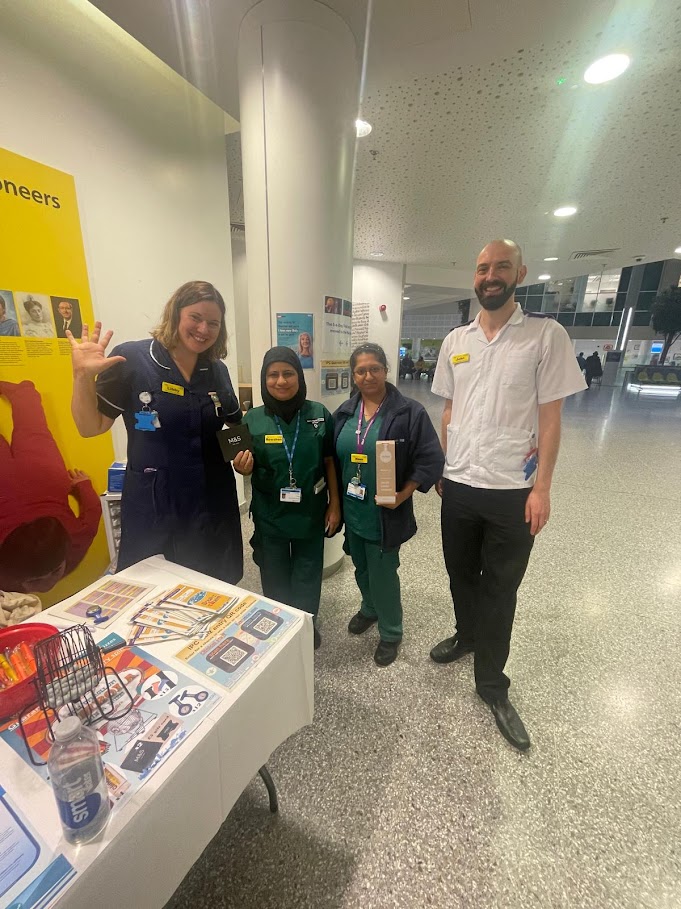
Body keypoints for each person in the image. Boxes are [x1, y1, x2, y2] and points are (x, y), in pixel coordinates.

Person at [430, 239, 586, 751]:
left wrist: (543, 488)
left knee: (500, 588)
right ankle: (467, 634)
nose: (490, 275)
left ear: (520, 272)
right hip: (459, 485)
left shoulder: (545, 336)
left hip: (512, 493)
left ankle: (492, 685)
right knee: (458, 571)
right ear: (473, 278)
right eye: (481, 268)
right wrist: (445, 465)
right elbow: (450, 409)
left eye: (500, 267)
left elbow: (551, 417)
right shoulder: (457, 339)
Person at [68, 280, 244, 583]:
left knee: (213, 583)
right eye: (196, 318)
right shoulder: (132, 361)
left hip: (211, 499)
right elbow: (89, 427)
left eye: (213, 323)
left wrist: (243, 454)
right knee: (156, 588)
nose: (204, 329)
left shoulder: (216, 370)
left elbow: (234, 424)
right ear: (176, 314)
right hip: (156, 502)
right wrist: (82, 376)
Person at [333, 343, 444, 666]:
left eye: (375, 369)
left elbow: (430, 459)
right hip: (353, 510)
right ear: (353, 375)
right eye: (361, 370)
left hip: (384, 513)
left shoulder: (409, 412)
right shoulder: (345, 412)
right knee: (361, 566)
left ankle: (391, 631)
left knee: (383, 572)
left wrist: (402, 494)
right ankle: (369, 608)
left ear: (385, 370)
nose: (368, 376)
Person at [233, 347, 340, 649]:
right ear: (264, 378)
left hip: (310, 511)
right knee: (274, 572)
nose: (281, 381)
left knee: (308, 571)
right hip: (270, 513)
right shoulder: (251, 419)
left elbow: (330, 460)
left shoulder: (319, 414)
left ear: (299, 376)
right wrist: (243, 467)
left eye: (288, 373)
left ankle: (306, 624)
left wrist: (334, 504)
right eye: (273, 374)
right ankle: (280, 625)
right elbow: (242, 464)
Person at [0, 380, 101, 593]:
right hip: (38, 482)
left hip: (40, 482)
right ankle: (23, 393)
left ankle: (23, 393)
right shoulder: (74, 545)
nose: (45, 585)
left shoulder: (75, 543)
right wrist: (84, 486)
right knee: (34, 431)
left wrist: (85, 486)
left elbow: (92, 513)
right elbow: (92, 514)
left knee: (34, 431)